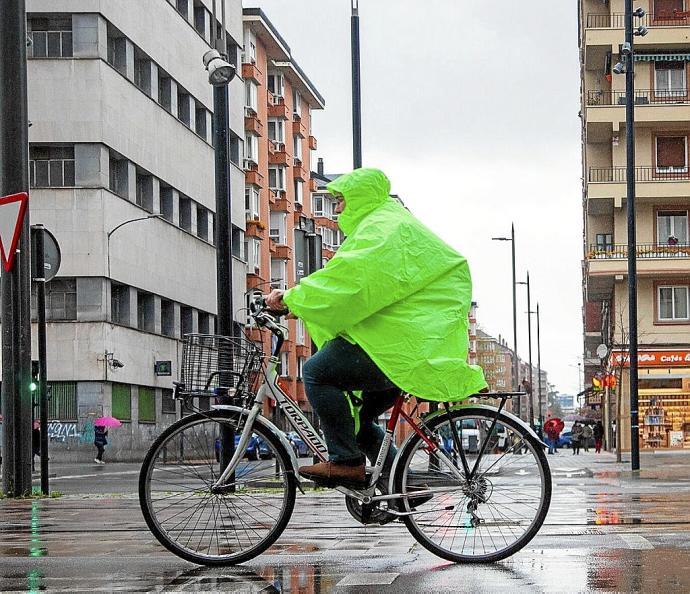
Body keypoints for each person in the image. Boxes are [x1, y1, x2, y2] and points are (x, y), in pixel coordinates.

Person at [266, 168, 487, 487]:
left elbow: (349, 281)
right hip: (405, 342)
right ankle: (402, 485)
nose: (338, 209)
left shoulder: (381, 228)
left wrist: (291, 297)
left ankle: (346, 462)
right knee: (357, 421)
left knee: (315, 372)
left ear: (361, 197)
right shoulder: (388, 223)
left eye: (341, 201)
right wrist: (297, 303)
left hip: (394, 346)